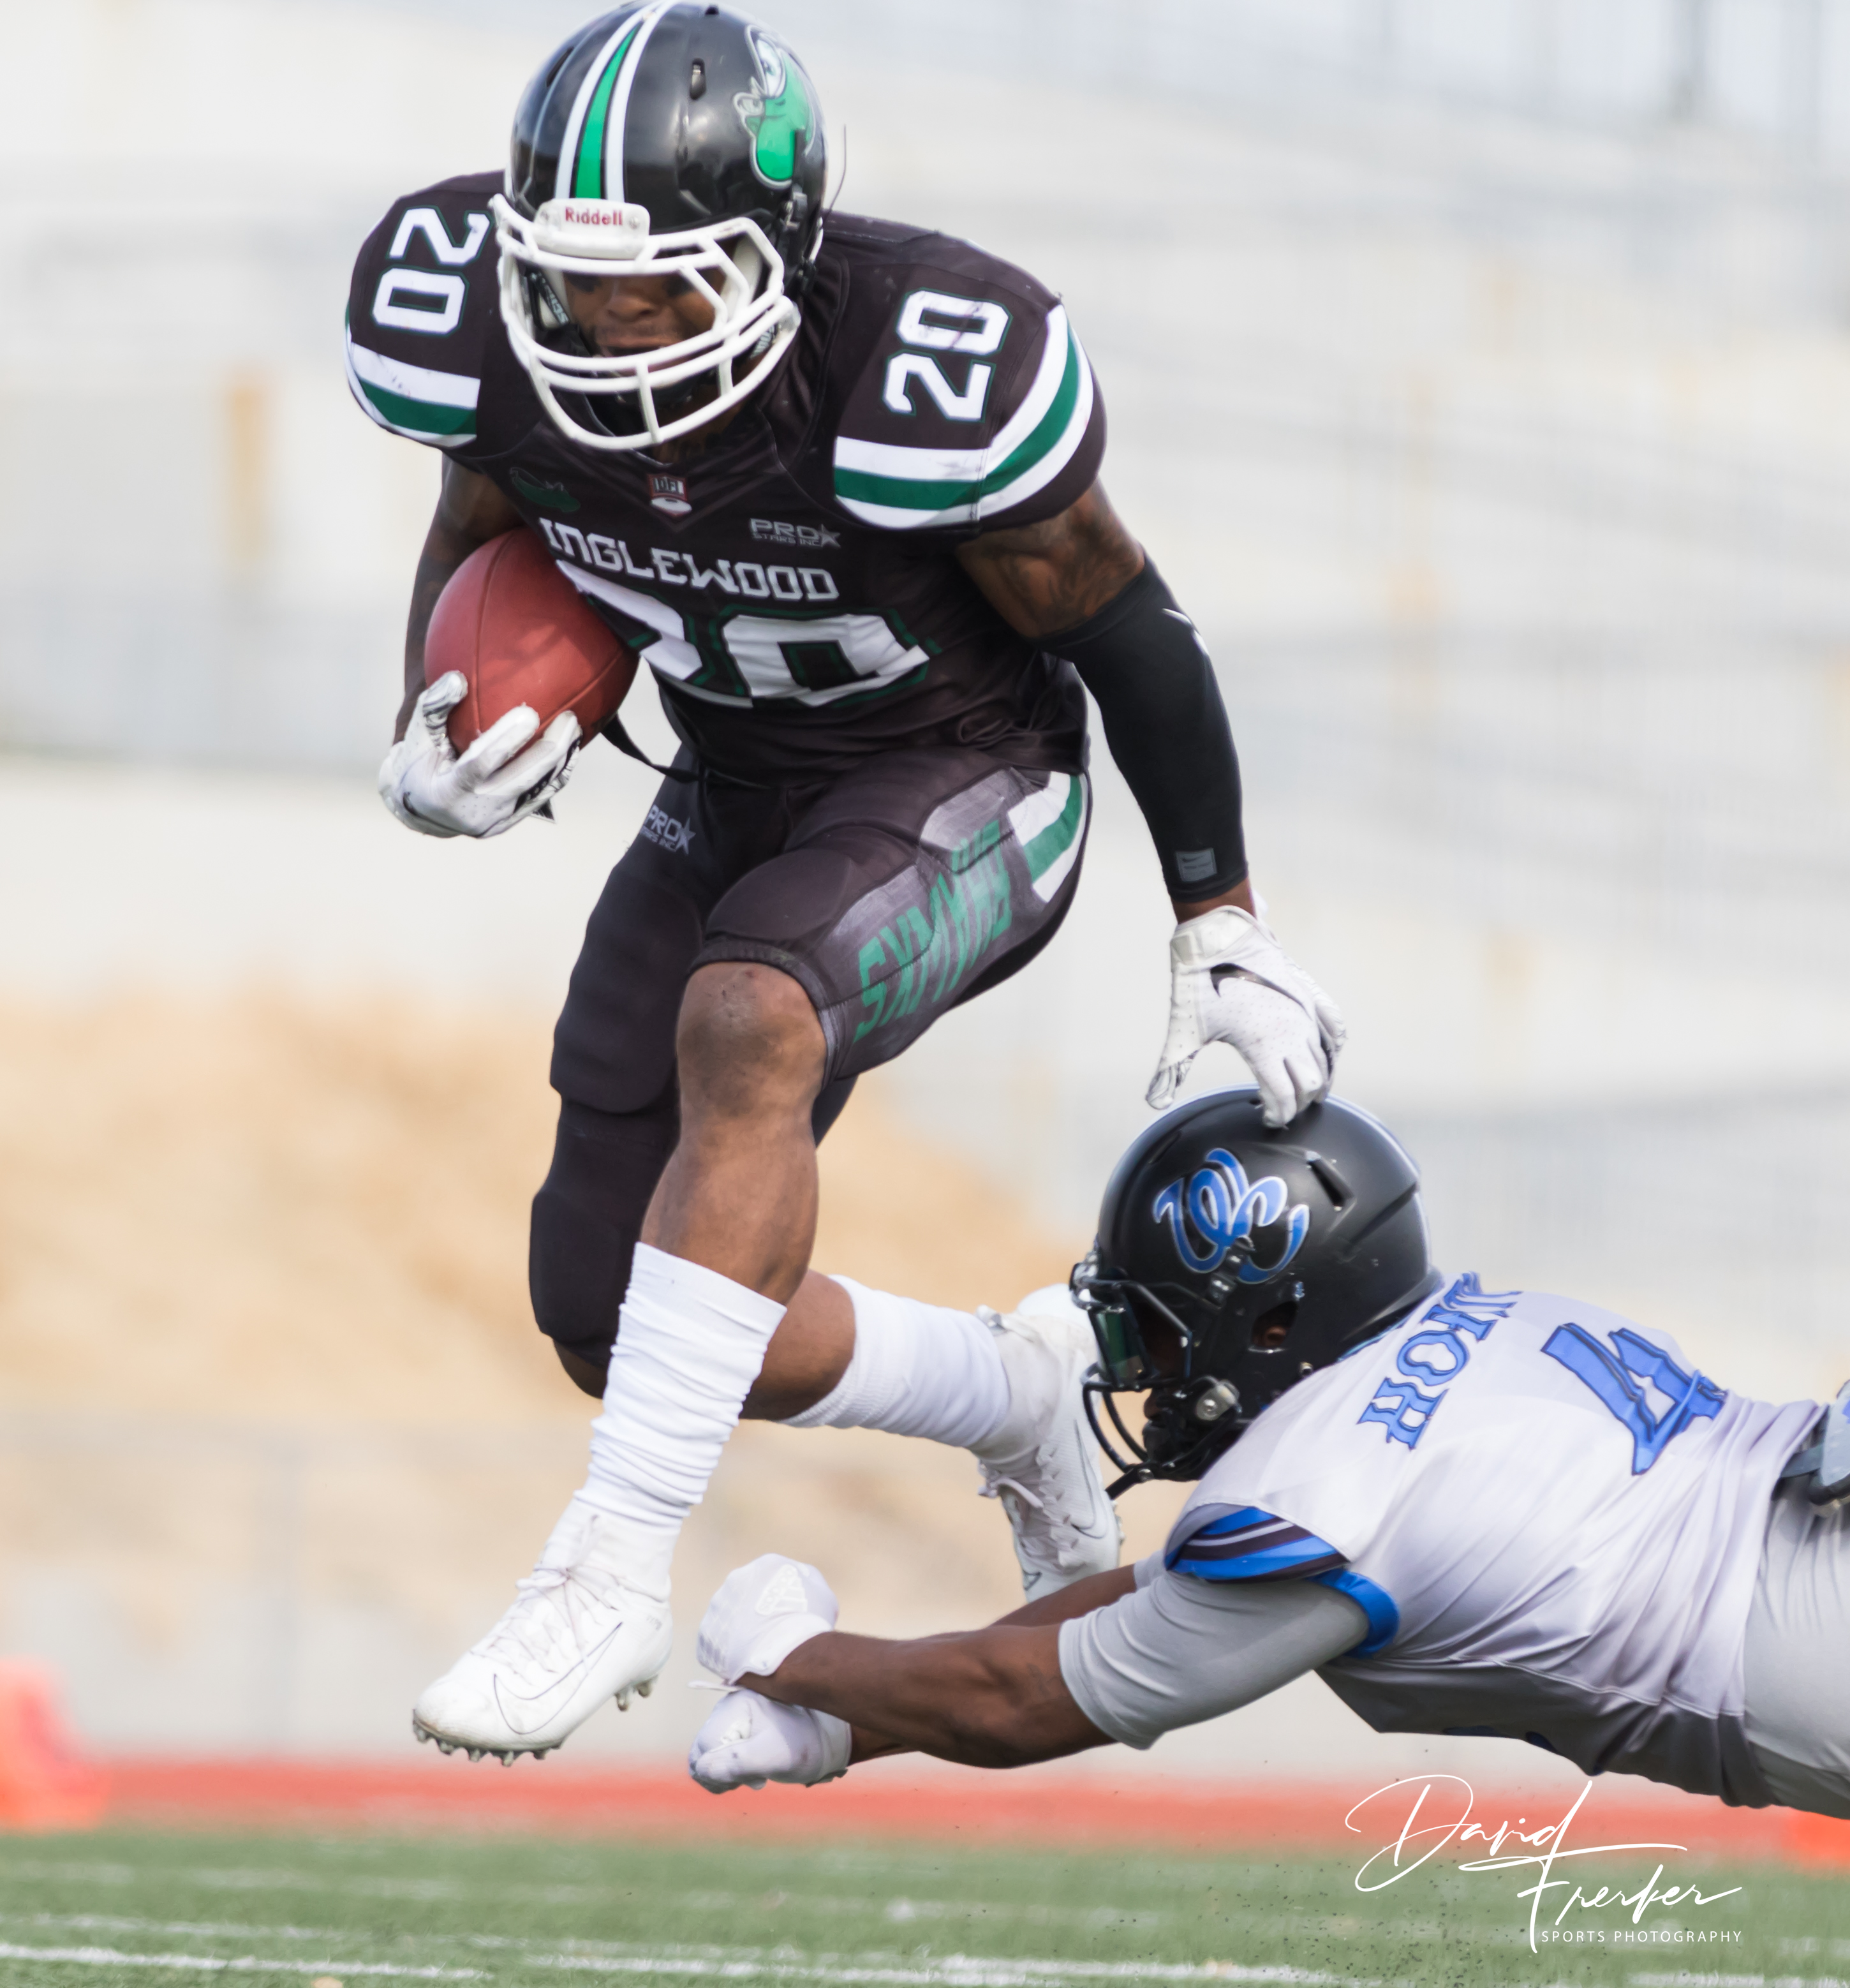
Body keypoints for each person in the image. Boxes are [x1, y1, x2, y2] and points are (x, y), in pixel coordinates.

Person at [344, 3, 1345, 1760]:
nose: (611, 325)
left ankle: (604, 1572)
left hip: (967, 771)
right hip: (735, 780)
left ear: (776, 254)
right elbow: (480, 530)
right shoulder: (486, 343)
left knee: (750, 1013)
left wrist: (1221, 917)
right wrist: (436, 717)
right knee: (609, 1307)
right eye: (576, 285)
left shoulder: (919, 361)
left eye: (660, 288)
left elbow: (1126, 627)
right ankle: (1014, 1389)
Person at [687, 1090, 1850, 1825]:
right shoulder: (1492, 1327)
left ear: (1275, 1319)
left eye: (1155, 1330)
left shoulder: (1326, 1492)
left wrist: (789, 1655)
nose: (1141, 1373)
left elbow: (1021, 1704)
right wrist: (845, 1723)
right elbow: (1138, 1602)